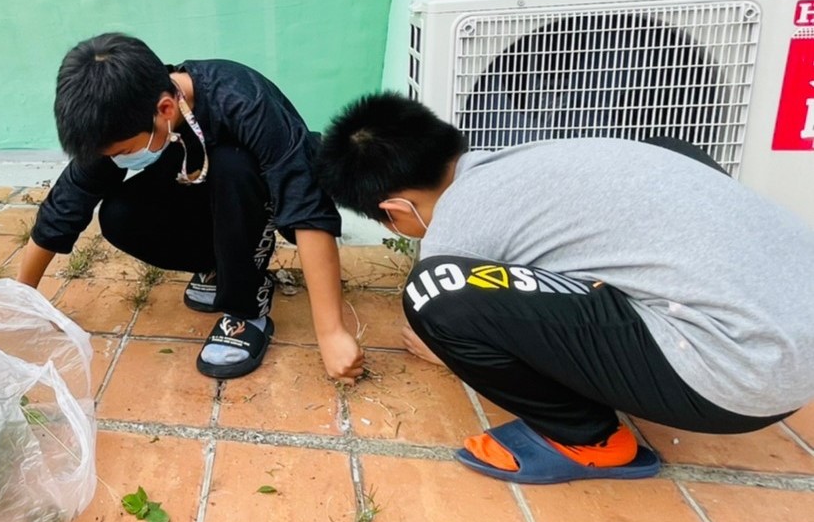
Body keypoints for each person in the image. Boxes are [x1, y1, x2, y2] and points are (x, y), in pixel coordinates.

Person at [316, 92, 814, 484]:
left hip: (742, 377)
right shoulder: (542, 154)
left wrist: (446, 346)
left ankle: (590, 441)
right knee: (669, 158)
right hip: (795, 334)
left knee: (434, 291)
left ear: (396, 210)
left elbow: (448, 326)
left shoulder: (456, 221)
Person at [16, 33, 358, 381]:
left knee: (231, 164)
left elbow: (305, 202)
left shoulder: (243, 100)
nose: (120, 159)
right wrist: (21, 298)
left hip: (255, 197)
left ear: (165, 109)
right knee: (118, 215)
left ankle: (245, 308)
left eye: (122, 152)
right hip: (204, 197)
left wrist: (331, 333)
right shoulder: (122, 115)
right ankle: (217, 268)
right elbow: (67, 202)